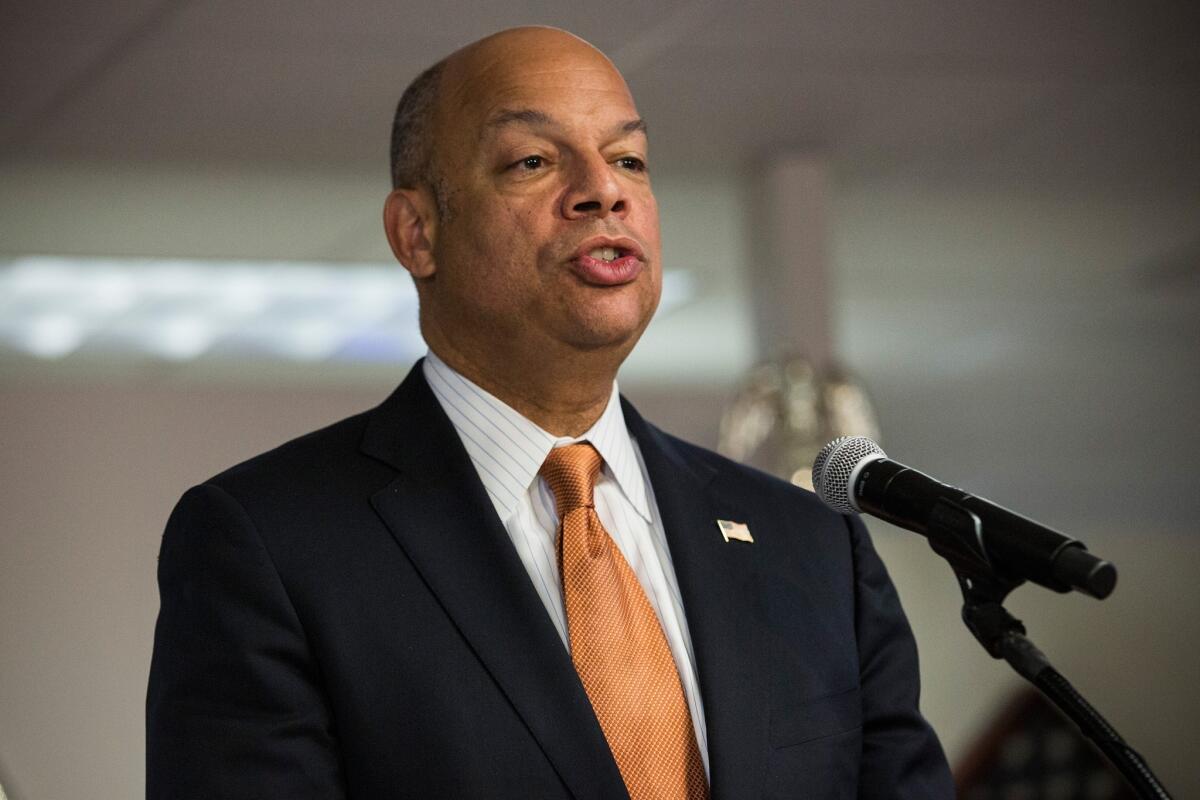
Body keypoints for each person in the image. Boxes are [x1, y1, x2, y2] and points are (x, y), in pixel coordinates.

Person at [146, 26, 953, 799]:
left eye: (630, 159)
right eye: (533, 160)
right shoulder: (269, 545)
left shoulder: (811, 545)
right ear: (418, 233)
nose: (604, 190)